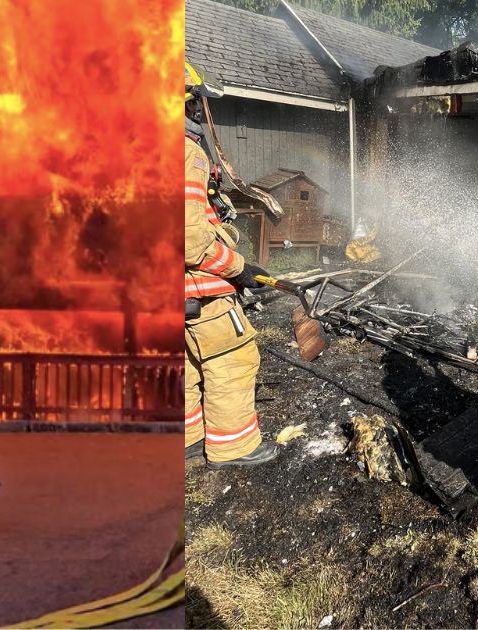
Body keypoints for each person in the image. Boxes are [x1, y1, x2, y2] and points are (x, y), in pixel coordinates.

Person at [184, 61, 278, 470]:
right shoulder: (184, 153)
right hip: (199, 290)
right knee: (232, 357)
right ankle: (233, 446)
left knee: (186, 363)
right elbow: (189, 238)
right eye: (198, 102)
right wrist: (237, 267)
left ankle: (188, 438)